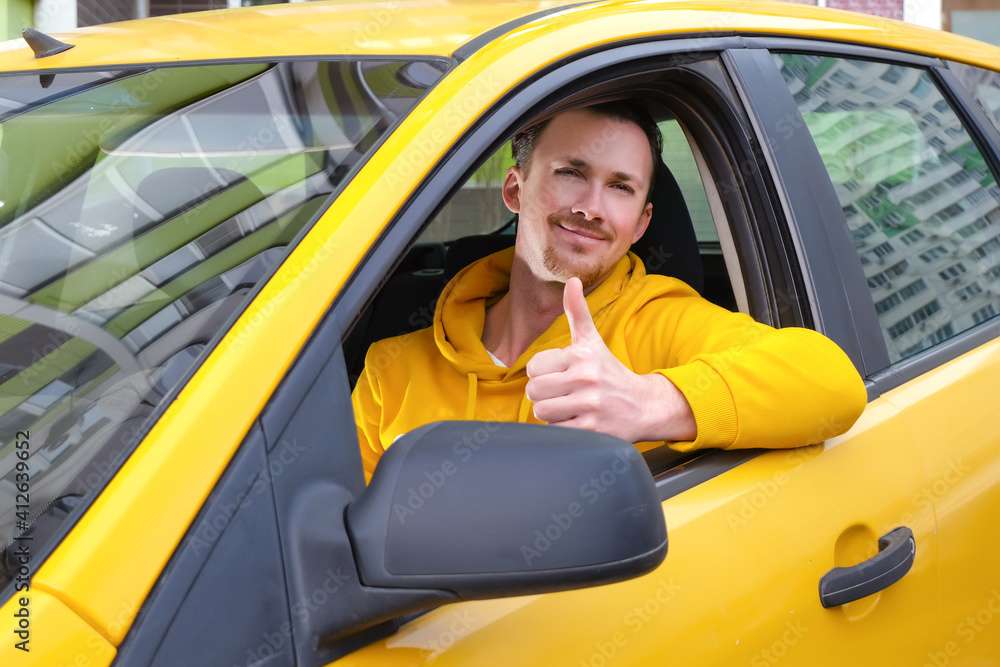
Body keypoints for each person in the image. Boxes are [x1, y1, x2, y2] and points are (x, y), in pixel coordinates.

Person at [352, 100, 867, 483]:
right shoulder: (391, 370)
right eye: (571, 173)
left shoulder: (658, 320)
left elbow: (833, 383)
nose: (591, 207)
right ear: (515, 189)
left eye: (620, 187)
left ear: (641, 223)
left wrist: (648, 402)